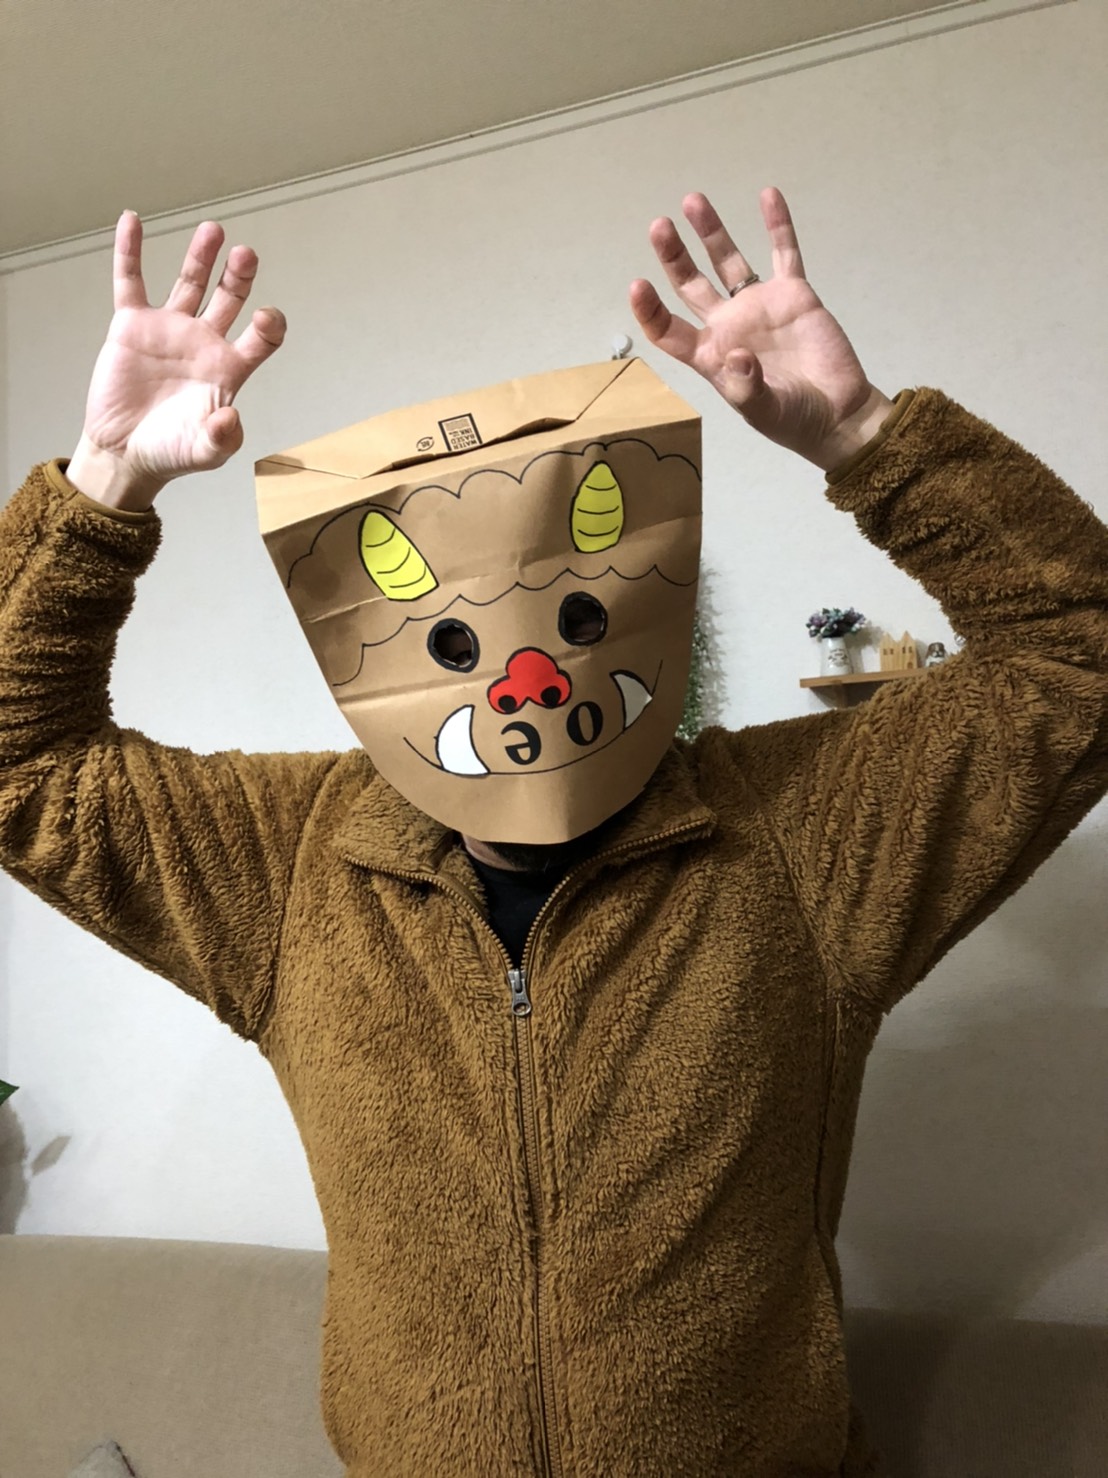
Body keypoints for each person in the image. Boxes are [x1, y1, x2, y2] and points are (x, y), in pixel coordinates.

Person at [2, 189, 1106, 1478]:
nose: (523, 682)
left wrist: (866, 437)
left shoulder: (797, 838)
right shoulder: (288, 865)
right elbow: (21, 764)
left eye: (581, 622)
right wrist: (105, 482)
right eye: (454, 647)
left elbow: (1078, 658)